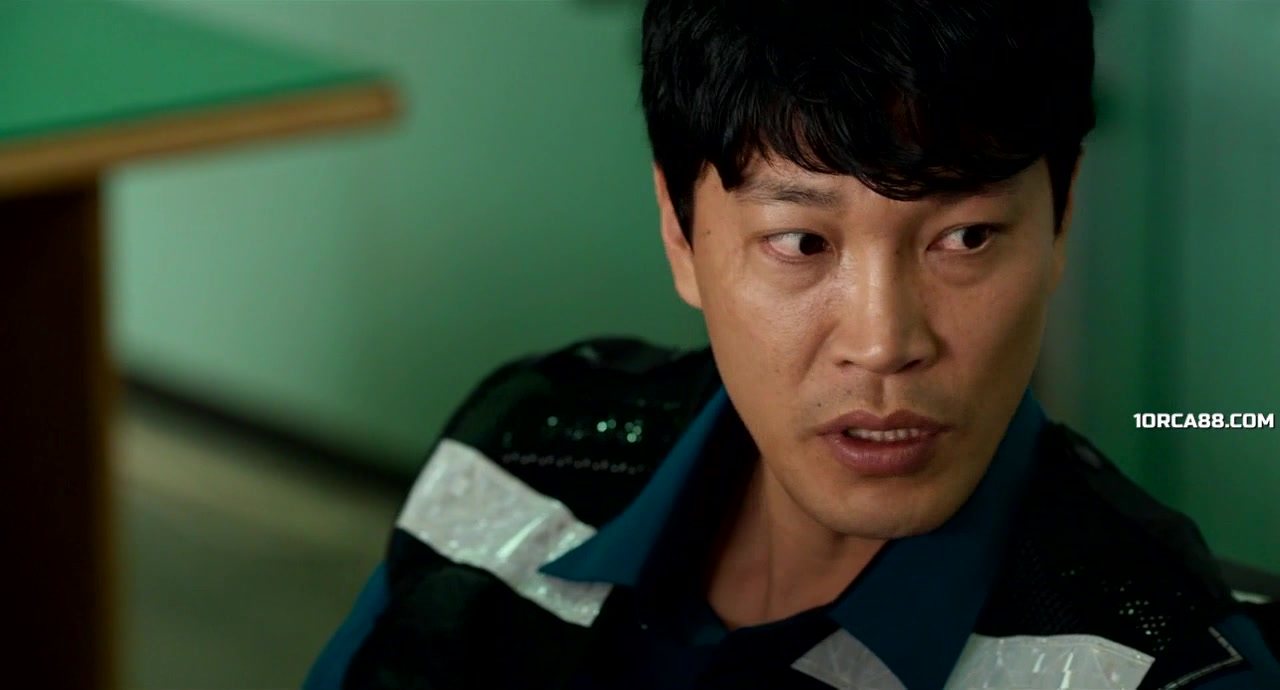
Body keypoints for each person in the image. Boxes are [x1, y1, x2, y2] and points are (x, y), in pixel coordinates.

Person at [305, 1, 1280, 688]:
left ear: (1061, 218)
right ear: (679, 232)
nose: (883, 343)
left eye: (966, 238)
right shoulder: (517, 451)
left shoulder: (1160, 668)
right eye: (802, 243)